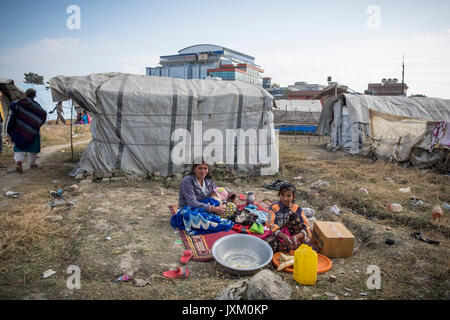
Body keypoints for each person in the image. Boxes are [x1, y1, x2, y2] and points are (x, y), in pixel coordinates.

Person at [170, 161, 233, 235]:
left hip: (206, 206)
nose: (203, 171)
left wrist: (224, 204)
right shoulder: (188, 181)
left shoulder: (208, 180)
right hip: (189, 209)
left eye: (205, 168)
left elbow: (219, 193)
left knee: (231, 206)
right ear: (194, 169)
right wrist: (213, 209)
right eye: (200, 168)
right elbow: (192, 202)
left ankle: (216, 216)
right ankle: (216, 218)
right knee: (194, 217)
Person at [7, 88, 47, 173]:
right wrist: (35, 123)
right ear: (34, 96)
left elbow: (11, 106)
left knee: (19, 145)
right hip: (32, 129)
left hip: (19, 129)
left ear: (26, 94)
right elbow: (43, 113)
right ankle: (32, 164)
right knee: (33, 146)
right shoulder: (35, 104)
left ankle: (19, 163)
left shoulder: (19, 103)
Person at [265, 182, 312, 253]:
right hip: (279, 235)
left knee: (294, 216)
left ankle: (294, 244)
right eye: (282, 195)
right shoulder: (273, 207)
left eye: (289, 196)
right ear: (279, 195)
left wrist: (296, 237)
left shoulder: (297, 208)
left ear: (293, 197)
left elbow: (306, 227)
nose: (285, 199)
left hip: (294, 234)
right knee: (268, 244)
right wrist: (284, 236)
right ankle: (292, 246)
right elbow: (270, 225)